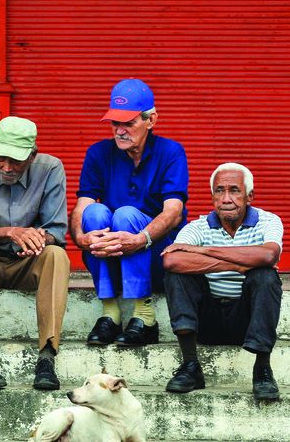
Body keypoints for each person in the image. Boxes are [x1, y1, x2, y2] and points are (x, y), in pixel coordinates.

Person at [70, 78, 188, 347]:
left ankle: (145, 317)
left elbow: (175, 212)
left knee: (125, 214)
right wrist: (80, 238)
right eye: (115, 123)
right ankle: (110, 313)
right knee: (95, 213)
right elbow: (83, 204)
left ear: (151, 120)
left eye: (129, 123)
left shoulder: (170, 152)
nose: (120, 131)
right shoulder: (98, 153)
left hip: (156, 256)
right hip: (113, 254)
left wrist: (142, 239)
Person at [0, 116, 70, 391]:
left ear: (32, 155)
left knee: (57, 255)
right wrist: (11, 231)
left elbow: (56, 229)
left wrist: (36, 237)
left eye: (16, 161)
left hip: (28, 261)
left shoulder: (51, 168)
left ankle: (47, 355)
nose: (7, 167)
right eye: (1, 158)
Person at [162, 163, 282, 400]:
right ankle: (191, 366)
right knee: (176, 275)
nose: (226, 198)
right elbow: (172, 261)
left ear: (249, 197)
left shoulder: (268, 221)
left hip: (246, 322)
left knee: (265, 275)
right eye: (219, 191)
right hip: (208, 320)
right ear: (213, 196)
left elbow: (268, 255)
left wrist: (204, 251)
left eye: (234, 190)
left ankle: (262, 370)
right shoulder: (197, 226)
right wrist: (241, 262)